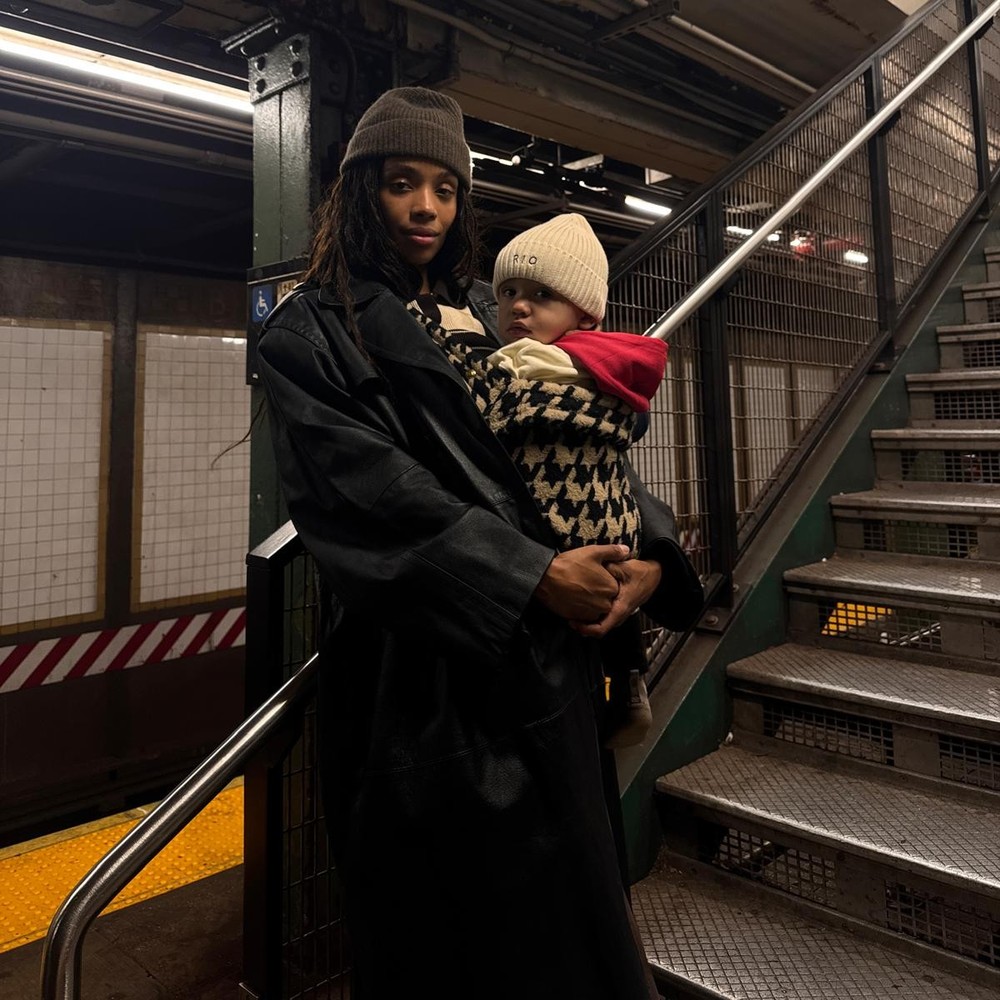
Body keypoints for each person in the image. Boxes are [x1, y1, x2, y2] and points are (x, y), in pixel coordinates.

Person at [256, 85, 703, 999]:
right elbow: (364, 496)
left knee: (576, 935)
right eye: (401, 184)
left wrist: (649, 561)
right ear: (360, 190)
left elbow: (578, 454)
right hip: (423, 692)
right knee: (462, 950)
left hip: (549, 671)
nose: (426, 207)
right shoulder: (313, 331)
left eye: (446, 188)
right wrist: (531, 574)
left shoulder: (486, 309)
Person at [431, 212, 670, 746]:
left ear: (584, 314)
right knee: (610, 580)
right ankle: (629, 680)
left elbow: (489, 397)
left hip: (551, 515)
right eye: (509, 292)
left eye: (541, 295)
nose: (518, 306)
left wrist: (453, 343)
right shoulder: (607, 363)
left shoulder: (533, 359)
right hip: (610, 515)